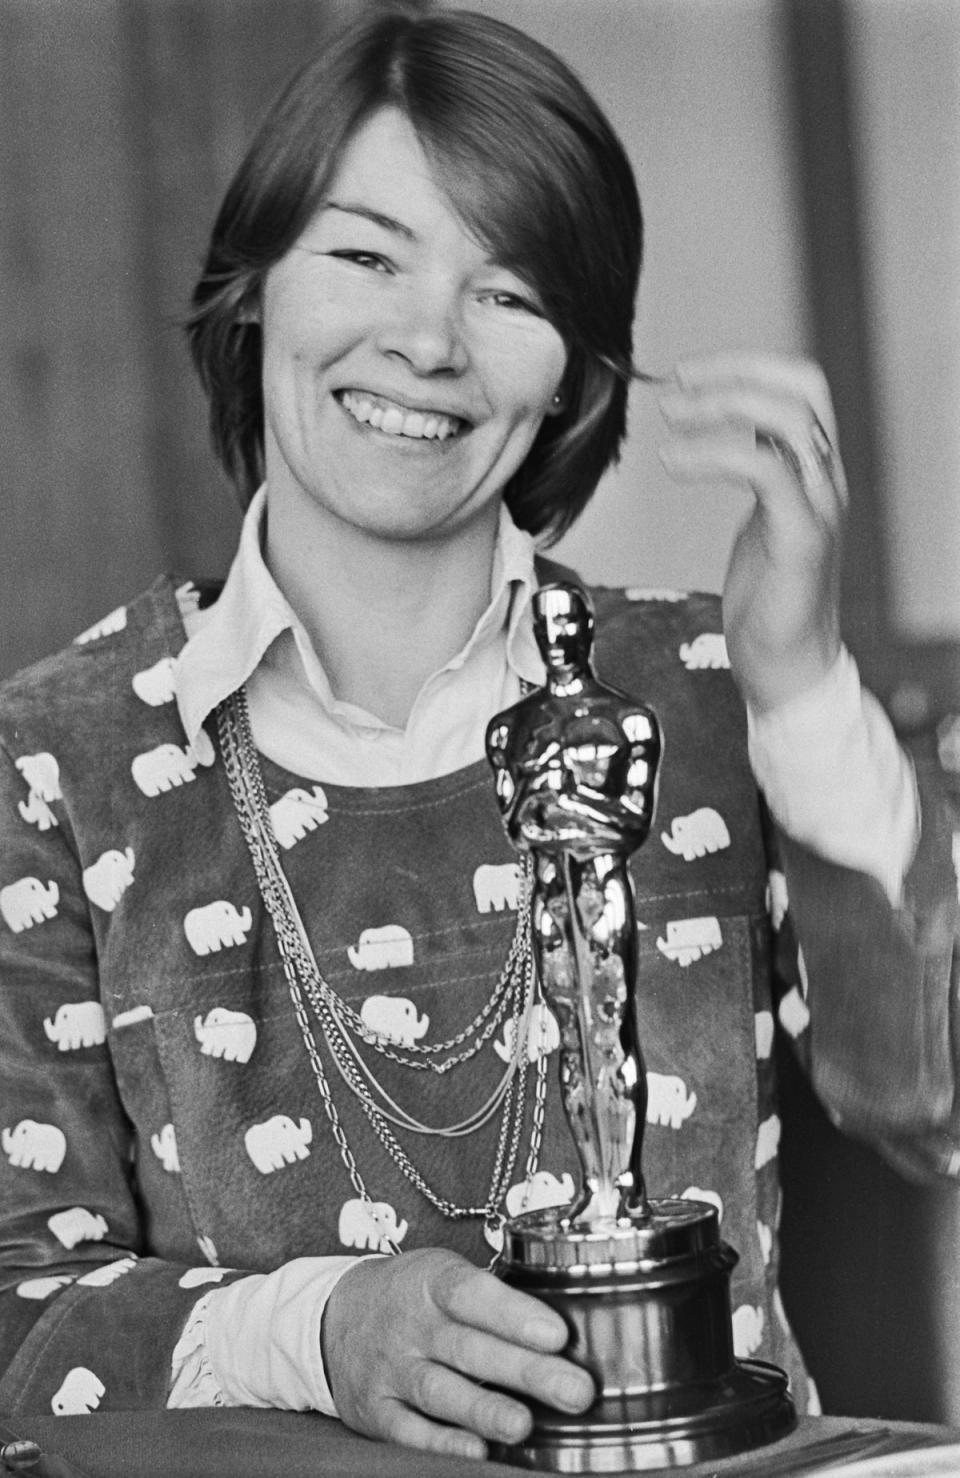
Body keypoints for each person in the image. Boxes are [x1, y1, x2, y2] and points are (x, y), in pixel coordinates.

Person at [0, 2, 957, 1461]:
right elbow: (21, 1316)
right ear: (254, 284)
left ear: (576, 365)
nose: (430, 341)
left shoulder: (701, 686)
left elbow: (935, 1102)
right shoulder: (54, 759)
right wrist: (321, 1327)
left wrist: (797, 678)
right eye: (368, 255)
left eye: (509, 291)